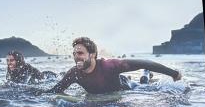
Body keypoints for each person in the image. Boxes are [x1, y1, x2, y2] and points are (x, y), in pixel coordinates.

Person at [48, 37, 180, 95]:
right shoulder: (74, 73)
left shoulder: (109, 66)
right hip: (107, 92)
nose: (76, 56)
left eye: (80, 53)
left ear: (92, 54)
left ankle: (146, 74)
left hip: (128, 88)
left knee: (144, 85)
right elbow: (55, 90)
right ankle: (145, 75)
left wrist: (173, 74)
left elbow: (143, 62)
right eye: (74, 53)